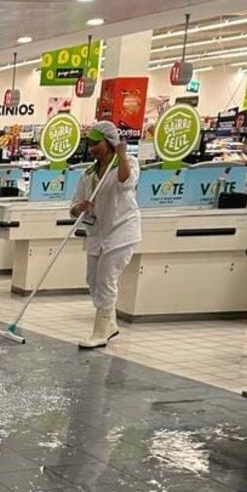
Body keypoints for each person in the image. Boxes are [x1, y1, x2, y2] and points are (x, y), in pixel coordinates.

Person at [70, 121, 140, 349]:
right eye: (89, 144)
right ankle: (110, 323)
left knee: (106, 279)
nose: (92, 148)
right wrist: (79, 208)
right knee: (92, 279)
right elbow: (73, 207)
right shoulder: (87, 174)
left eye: (96, 143)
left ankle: (99, 332)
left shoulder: (128, 165)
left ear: (110, 142)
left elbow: (125, 183)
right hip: (97, 233)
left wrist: (122, 155)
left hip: (121, 230)